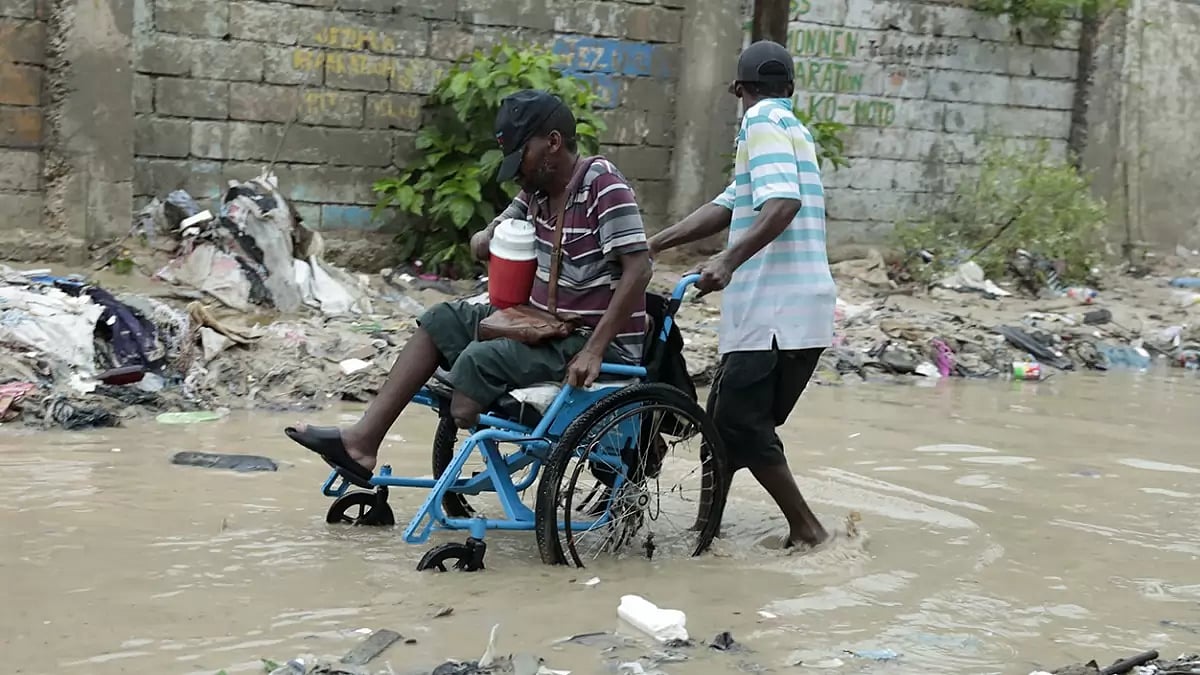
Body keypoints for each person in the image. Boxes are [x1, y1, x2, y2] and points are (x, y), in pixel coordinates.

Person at [285, 89, 653, 488]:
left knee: (479, 362)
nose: (517, 172)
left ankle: (472, 411)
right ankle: (362, 442)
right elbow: (487, 236)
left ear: (553, 142)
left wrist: (594, 351)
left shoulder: (603, 184)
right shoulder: (535, 194)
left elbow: (640, 269)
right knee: (441, 320)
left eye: (521, 156)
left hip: (590, 337)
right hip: (544, 324)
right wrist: (487, 238)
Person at [647, 40, 836, 548]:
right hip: (806, 313)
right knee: (726, 431)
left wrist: (727, 261)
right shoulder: (794, 130)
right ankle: (705, 533)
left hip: (771, 315)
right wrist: (655, 244)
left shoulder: (759, 124)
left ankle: (807, 529)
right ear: (790, 89)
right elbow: (732, 203)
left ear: (738, 90)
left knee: (738, 425)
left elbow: (782, 204)